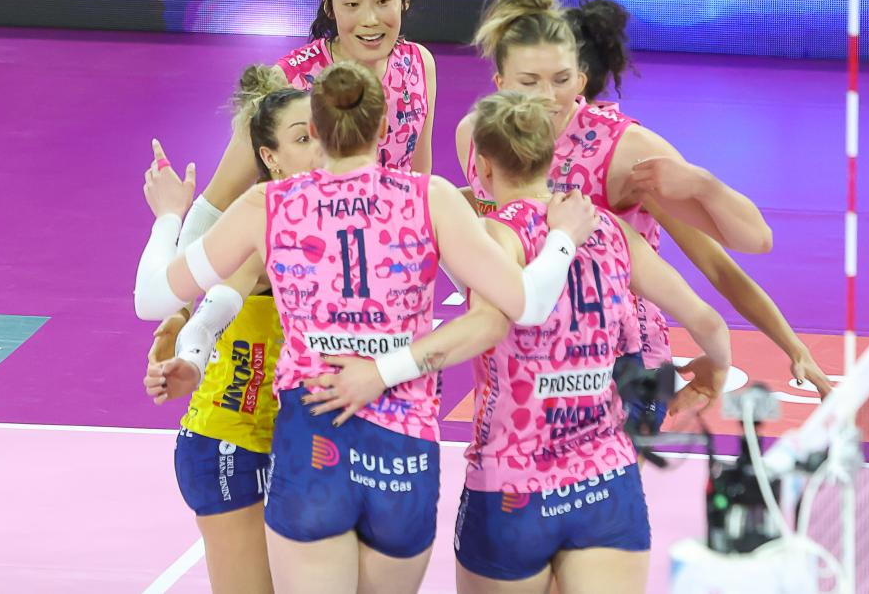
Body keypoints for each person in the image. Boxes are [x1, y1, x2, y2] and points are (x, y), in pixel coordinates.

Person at [135, 61, 599, 594]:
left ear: (318, 129)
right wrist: (562, 238)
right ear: (383, 127)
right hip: (401, 451)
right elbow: (526, 304)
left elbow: (152, 298)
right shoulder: (431, 197)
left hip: (312, 444)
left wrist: (168, 215)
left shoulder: (269, 205)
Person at [304, 91, 731, 594]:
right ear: (551, 156)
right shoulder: (611, 229)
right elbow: (707, 321)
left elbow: (482, 325)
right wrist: (714, 368)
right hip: (605, 484)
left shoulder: (495, 237)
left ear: (483, 167)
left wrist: (380, 373)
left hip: (511, 483)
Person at [456, 0, 832, 400]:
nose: (546, 97)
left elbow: (741, 248)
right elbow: (494, 218)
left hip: (620, 365)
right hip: (519, 365)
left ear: (580, 79)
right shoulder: (475, 136)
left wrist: (703, 184)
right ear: (500, 83)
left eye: (560, 79)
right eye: (528, 82)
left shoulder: (623, 149)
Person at [144, 65, 321, 593]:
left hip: (299, 445)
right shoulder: (260, 227)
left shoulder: (343, 220)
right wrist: (190, 357)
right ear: (270, 157)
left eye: (325, 132)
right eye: (303, 138)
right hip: (231, 444)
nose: (320, 146)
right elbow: (215, 307)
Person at [188, 0, 438, 259]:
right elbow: (217, 200)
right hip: (303, 263)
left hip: (386, 261)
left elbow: (417, 178)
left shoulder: (419, 64)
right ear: (329, 6)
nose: (370, 19)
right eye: (352, 4)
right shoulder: (287, 81)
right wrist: (176, 286)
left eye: (383, 1)